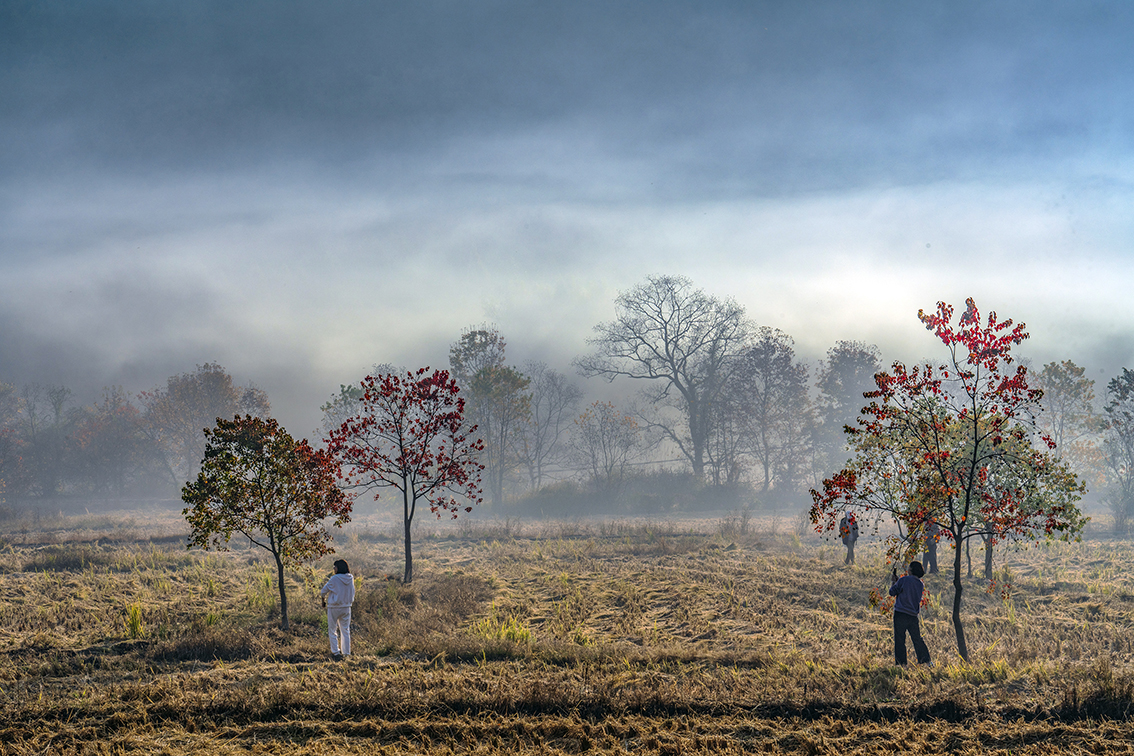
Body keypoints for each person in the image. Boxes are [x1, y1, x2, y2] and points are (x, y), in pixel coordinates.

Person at [889, 560, 931, 665]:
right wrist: (899, 582)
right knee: (917, 639)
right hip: (913, 615)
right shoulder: (920, 584)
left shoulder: (903, 580)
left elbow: (892, 592)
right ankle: (926, 661)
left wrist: (894, 582)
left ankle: (901, 663)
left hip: (900, 613)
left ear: (911, 569)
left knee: (900, 639)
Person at [320, 559, 355, 661]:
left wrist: (323, 601)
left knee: (332, 630)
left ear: (338, 568)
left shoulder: (334, 579)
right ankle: (346, 653)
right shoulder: (350, 578)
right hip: (346, 607)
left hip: (334, 607)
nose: (334, 569)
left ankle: (336, 652)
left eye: (334, 567)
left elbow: (323, 591)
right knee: (345, 630)